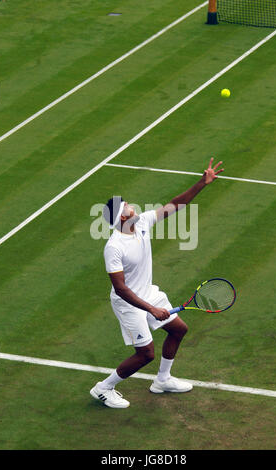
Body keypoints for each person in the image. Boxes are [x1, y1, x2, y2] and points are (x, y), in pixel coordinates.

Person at [90, 158, 224, 408]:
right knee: (146, 354)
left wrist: (202, 183)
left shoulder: (140, 223)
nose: (131, 206)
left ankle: (162, 380)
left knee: (178, 330)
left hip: (148, 293)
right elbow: (120, 288)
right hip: (128, 303)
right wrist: (150, 309)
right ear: (121, 218)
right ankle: (103, 388)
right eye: (127, 207)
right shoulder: (114, 247)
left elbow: (174, 205)